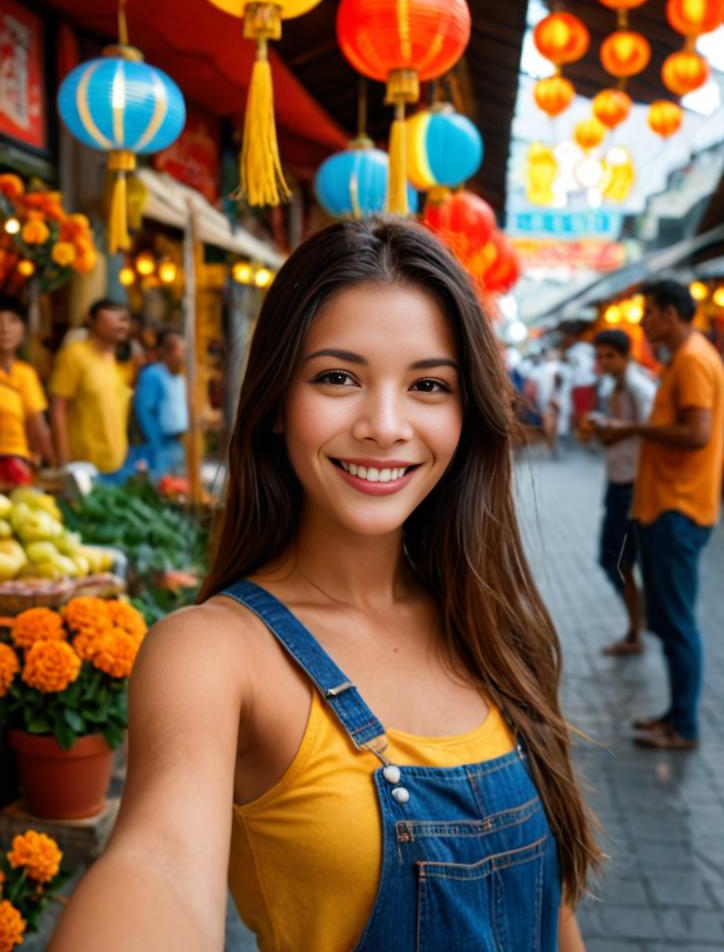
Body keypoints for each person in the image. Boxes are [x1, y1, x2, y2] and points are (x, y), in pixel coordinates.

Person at [50, 221, 598, 952]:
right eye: (338, 378)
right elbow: (157, 864)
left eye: (429, 385)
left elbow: (556, 921)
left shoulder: (495, 629)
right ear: (277, 400)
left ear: (468, 416)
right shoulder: (213, 652)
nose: (384, 425)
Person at [597, 280, 724, 751]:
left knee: (676, 620)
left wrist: (633, 427)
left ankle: (684, 725)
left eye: (649, 313)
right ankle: (675, 716)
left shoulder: (692, 360)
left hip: (679, 506)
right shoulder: (687, 358)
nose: (644, 322)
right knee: (672, 619)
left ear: (670, 315)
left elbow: (696, 433)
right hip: (669, 504)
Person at [590, 329, 656, 656]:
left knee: (618, 560)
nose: (602, 362)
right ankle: (636, 623)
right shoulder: (613, 387)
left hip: (633, 485)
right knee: (617, 560)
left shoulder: (639, 387)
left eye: (609, 356)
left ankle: (637, 625)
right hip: (618, 482)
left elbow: (650, 434)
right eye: (599, 356)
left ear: (625, 356)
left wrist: (615, 430)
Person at [49, 298, 132, 480]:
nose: (122, 321)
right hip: (83, 466)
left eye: (125, 318)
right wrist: (64, 462)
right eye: (113, 314)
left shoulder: (114, 360)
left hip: (118, 464)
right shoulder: (74, 355)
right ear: (92, 321)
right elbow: (58, 408)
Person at [0, 297, 54, 484]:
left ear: (23, 329)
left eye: (12, 321)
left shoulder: (26, 373)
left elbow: (37, 425)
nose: (4, 329)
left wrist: (54, 464)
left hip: (17, 465)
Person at [132, 327, 188, 481]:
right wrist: (156, 442)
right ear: (164, 352)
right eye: (179, 350)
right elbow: (144, 410)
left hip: (177, 442)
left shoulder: (178, 375)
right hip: (161, 444)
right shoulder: (152, 375)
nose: (183, 355)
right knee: (162, 484)